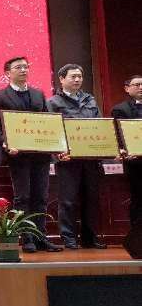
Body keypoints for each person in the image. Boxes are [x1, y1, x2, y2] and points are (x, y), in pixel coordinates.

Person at [0, 56, 63, 253]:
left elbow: (47, 122)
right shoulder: (0, 96)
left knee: (41, 197)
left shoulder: (38, 94)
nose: (23, 70)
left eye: (25, 67)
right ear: (7, 72)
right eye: (18, 67)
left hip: (40, 155)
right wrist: (5, 143)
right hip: (18, 156)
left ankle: (40, 237)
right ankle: (26, 238)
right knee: (22, 197)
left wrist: (56, 144)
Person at [46, 64, 106, 249]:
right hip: (67, 160)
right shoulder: (53, 102)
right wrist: (57, 153)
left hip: (90, 158)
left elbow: (101, 127)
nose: (78, 79)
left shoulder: (90, 100)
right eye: (73, 76)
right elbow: (51, 131)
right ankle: (69, 238)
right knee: (68, 201)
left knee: (91, 199)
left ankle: (90, 238)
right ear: (62, 79)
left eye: (80, 76)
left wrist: (103, 150)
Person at [111, 74, 142, 227]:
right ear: (127, 88)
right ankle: (137, 234)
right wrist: (123, 151)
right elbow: (116, 136)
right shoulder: (120, 109)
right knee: (138, 198)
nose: (141, 87)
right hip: (134, 163)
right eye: (137, 85)